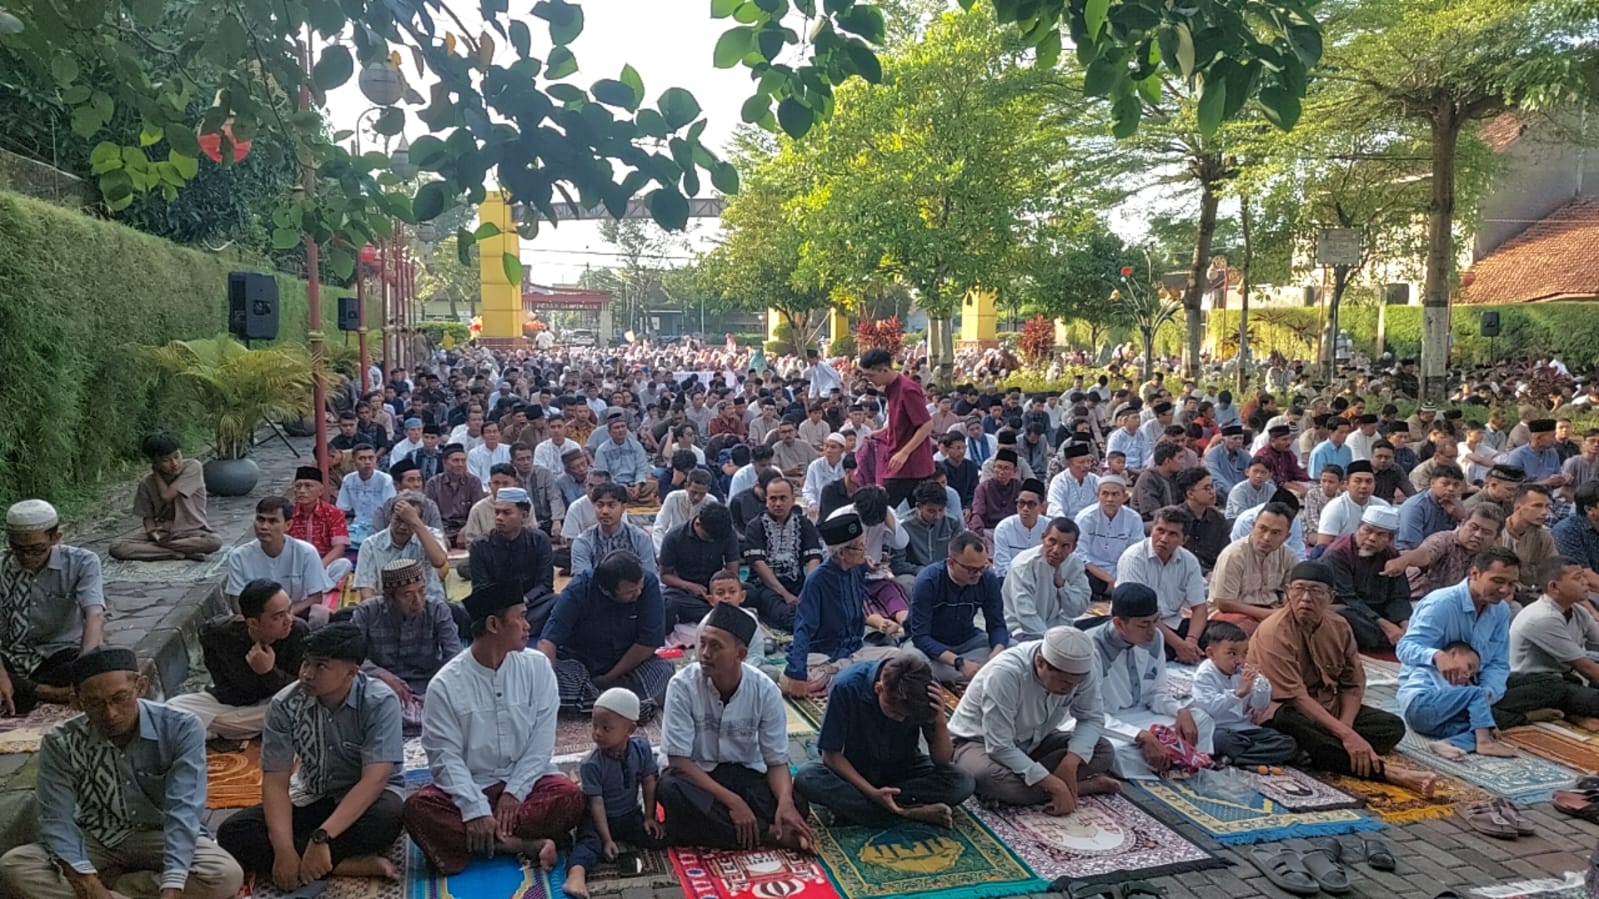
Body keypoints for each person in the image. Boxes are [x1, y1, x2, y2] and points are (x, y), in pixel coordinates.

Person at [0, 647, 243, 899]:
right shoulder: (61, 741)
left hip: (159, 834)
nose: (110, 714)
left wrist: (172, 886)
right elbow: (57, 819)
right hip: (96, 835)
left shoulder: (180, 727)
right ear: (77, 701)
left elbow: (183, 812)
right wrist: (86, 880)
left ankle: (116, 885)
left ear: (140, 687)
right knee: (15, 866)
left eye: (120, 698)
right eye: (94, 703)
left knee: (223, 875)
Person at [402, 582, 583, 875]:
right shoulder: (446, 685)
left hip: (526, 785)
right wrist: (475, 808)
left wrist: (515, 792)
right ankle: (519, 845)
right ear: (493, 624)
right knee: (417, 810)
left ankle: (482, 841)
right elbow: (444, 757)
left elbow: (541, 744)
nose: (528, 626)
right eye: (521, 617)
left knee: (570, 797)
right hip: (469, 786)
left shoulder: (537, 667)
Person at [217, 623, 406, 889]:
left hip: (366, 800)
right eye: (305, 663)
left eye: (320, 666)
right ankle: (341, 864)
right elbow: (275, 782)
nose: (306, 674)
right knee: (233, 832)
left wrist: (322, 838)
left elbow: (374, 780)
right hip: (315, 794)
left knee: (388, 816)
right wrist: (283, 850)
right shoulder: (284, 705)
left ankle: (318, 855)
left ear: (351, 673)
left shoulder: (378, 701)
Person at [1248, 561, 1436, 792]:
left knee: (1391, 727)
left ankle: (1319, 750)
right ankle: (1389, 773)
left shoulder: (1340, 626)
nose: (1306, 598)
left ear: (1331, 597)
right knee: (1289, 721)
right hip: (1285, 708)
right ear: (1287, 592)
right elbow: (1295, 696)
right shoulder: (1274, 630)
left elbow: (1353, 684)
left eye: (1316, 591)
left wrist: (1345, 727)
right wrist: (1346, 734)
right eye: (1298, 589)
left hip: (1326, 705)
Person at [659, 603, 814, 851]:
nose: (704, 653)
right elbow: (678, 760)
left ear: (740, 654)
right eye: (703, 643)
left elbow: (775, 761)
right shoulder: (682, 686)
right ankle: (769, 834)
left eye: (716, 646)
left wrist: (785, 803)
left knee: (797, 802)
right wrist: (734, 803)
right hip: (699, 776)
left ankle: (721, 829)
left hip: (744, 773)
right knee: (669, 790)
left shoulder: (765, 691)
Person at [793, 648, 976, 827]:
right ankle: (908, 812)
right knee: (808, 777)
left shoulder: (924, 689)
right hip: (854, 769)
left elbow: (942, 760)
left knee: (962, 782)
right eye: (896, 713)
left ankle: (865, 811)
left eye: (906, 717)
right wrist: (872, 792)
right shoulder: (847, 686)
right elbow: (831, 755)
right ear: (879, 688)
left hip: (902, 768)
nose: (901, 719)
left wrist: (939, 721)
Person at [947, 627, 1117, 812]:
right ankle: (1080, 787)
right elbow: (999, 746)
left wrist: (1070, 762)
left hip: (1034, 741)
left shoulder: (1084, 671)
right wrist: (1054, 785)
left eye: (1075, 683)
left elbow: (1091, 718)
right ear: (1040, 662)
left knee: (1103, 750)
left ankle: (1037, 788)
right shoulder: (1006, 673)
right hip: (979, 743)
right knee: (993, 779)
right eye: (1064, 682)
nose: (1070, 688)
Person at [1396, 546, 1521, 759]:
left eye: (1511, 584)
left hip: (1470, 691)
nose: (1504, 590)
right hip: (1430, 695)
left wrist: (1488, 693)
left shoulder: (1500, 610)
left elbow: (1499, 663)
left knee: (1544, 683)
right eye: (1498, 581)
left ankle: (1450, 743)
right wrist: (1436, 656)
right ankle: (1490, 726)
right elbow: (1405, 648)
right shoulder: (1441, 603)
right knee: (1486, 714)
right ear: (1475, 574)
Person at [1091, 584, 1214, 778]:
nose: (1152, 630)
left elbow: (1156, 693)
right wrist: (1139, 736)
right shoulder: (1091, 649)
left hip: (1142, 715)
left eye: (1155, 621)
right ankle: (1176, 759)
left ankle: (1170, 760)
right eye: (1143, 624)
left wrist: (1179, 711)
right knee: (1114, 751)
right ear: (1119, 623)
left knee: (1201, 719)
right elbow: (1089, 714)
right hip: (1107, 723)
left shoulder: (1155, 637)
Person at [0, 499, 104, 716]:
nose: (27, 557)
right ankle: (52, 693)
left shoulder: (82, 562)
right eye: (19, 549)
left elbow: (94, 614)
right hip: (9, 655)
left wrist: (84, 669)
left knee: (105, 668)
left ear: (55, 538)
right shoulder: (3, 566)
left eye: (37, 549)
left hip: (58, 654)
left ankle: (32, 691)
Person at [539, 551, 674, 716]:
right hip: (582, 667)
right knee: (549, 681)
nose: (638, 594)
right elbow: (548, 642)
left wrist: (609, 678)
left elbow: (648, 642)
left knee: (664, 671)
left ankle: (602, 705)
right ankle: (623, 708)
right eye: (630, 592)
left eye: (640, 587)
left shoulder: (648, 584)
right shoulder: (579, 588)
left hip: (628, 666)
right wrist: (548, 684)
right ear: (608, 591)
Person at [167, 579, 305, 739]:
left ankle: (212, 727)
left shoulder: (298, 633)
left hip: (273, 703)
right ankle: (228, 727)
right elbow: (209, 648)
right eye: (278, 617)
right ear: (253, 622)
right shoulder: (221, 632)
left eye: (289, 610)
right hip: (234, 705)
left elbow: (301, 690)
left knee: (297, 709)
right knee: (172, 708)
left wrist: (268, 672)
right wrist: (226, 690)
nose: (289, 620)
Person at [782, 512, 899, 696]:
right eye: (859, 547)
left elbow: (861, 607)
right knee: (798, 680)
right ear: (842, 553)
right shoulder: (817, 580)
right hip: (823, 655)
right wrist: (797, 672)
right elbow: (803, 628)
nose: (865, 550)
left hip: (855, 652)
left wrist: (878, 621)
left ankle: (848, 678)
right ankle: (851, 678)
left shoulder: (858, 569)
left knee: (900, 659)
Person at [563, 688, 665, 899]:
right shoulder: (592, 764)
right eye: (595, 726)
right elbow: (597, 804)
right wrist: (607, 839)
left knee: (657, 837)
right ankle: (575, 877)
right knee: (589, 846)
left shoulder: (641, 748)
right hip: (599, 820)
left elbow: (648, 780)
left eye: (606, 728)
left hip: (629, 814)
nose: (597, 733)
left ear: (630, 729)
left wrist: (649, 817)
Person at [349, 559, 462, 727]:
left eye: (421, 591)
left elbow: (455, 659)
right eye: (407, 595)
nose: (417, 601)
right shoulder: (367, 612)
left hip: (428, 686)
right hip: (380, 688)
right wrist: (380, 674)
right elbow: (351, 657)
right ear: (389, 598)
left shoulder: (437, 609)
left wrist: (438, 689)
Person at [1498, 556, 1599, 730]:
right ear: (1554, 587)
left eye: (1584, 576)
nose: (1585, 583)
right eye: (1577, 578)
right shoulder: (1542, 618)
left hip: (1565, 677)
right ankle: (1565, 711)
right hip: (1535, 683)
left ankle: (1572, 711)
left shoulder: (1578, 611)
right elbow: (1587, 668)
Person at [1191, 621, 1298, 766]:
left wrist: (1260, 685)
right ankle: (1247, 754)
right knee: (1222, 740)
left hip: (1243, 728)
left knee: (1287, 743)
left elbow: (1260, 706)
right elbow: (1210, 707)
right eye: (1232, 653)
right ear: (1212, 654)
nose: (1239, 660)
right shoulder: (1205, 674)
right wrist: (1238, 694)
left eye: (1244, 653)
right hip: (1217, 727)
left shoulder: (1242, 673)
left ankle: (1237, 758)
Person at [909, 531, 1009, 684]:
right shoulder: (928, 580)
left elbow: (997, 625)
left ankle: (968, 673)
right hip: (931, 646)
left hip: (967, 640)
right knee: (913, 664)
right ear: (951, 562)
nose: (977, 574)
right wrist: (959, 662)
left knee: (1012, 650)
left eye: (982, 567)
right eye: (971, 569)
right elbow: (920, 636)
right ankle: (976, 674)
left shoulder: (987, 578)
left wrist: (997, 653)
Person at [109, 433, 223, 561]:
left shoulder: (192, 467)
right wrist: (153, 533)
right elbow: (148, 518)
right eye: (166, 460)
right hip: (164, 533)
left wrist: (156, 472)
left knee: (214, 541)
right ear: (154, 462)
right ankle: (178, 553)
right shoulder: (146, 484)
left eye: (177, 456)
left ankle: (160, 549)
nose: (174, 464)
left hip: (192, 531)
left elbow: (167, 496)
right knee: (117, 547)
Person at [1117, 506, 1209, 663]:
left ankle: (1182, 651)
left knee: (1219, 636)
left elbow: (1199, 607)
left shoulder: (1189, 561)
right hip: (1139, 623)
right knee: (1146, 651)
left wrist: (1191, 641)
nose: (1164, 538)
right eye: (1160, 530)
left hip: (1172, 622)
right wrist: (1179, 645)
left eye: (1173, 534)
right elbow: (1140, 612)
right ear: (1152, 530)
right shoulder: (1134, 558)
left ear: (1183, 540)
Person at [226, 496, 334, 624]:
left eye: (272, 521)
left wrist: (283, 615)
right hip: (257, 621)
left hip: (294, 614)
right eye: (260, 519)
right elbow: (236, 600)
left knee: (320, 613)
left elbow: (315, 597)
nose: (264, 527)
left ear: (288, 525)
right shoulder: (239, 556)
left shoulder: (306, 552)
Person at [1322, 505, 1411, 651]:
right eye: (1367, 531)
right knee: (1342, 615)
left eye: (1380, 535)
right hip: (1352, 610)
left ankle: (1398, 637)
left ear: (1389, 539)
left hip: (1379, 611)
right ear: (1358, 529)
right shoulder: (1338, 554)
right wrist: (1385, 625)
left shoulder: (1390, 554)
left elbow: (1399, 595)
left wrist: (1404, 623)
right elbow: (1346, 597)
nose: (1371, 539)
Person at [858, 348, 937, 507]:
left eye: (871, 376)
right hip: (899, 461)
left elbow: (927, 425)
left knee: (879, 509)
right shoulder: (891, 388)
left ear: (885, 370)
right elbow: (902, 423)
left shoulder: (907, 389)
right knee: (917, 514)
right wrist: (881, 432)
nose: (869, 380)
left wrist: (904, 453)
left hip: (910, 466)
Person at [743, 474, 823, 632]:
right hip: (766, 586)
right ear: (766, 500)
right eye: (773, 498)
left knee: (826, 605)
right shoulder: (755, 526)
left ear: (793, 500)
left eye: (783, 498)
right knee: (787, 618)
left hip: (798, 583)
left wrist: (808, 591)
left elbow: (814, 558)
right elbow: (758, 565)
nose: (778, 503)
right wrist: (785, 594)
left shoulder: (804, 523)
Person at [469, 487, 556, 628]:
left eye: (506, 513)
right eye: (497, 512)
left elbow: (545, 584)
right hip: (495, 608)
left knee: (558, 602)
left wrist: (523, 601)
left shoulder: (540, 540)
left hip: (530, 605)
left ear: (524, 515)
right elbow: (481, 587)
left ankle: (510, 628)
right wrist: (507, 606)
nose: (499, 518)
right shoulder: (480, 545)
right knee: (463, 611)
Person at [1208, 502, 1296, 635]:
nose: (1267, 538)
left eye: (1275, 533)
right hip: (1232, 614)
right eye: (1262, 529)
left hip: (1272, 610)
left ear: (1286, 537)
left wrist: (1285, 607)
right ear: (1253, 526)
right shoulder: (1234, 554)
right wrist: (1268, 614)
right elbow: (1224, 603)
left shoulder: (1288, 555)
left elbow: (1293, 591)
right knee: (1254, 630)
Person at [1003, 518, 1090, 641]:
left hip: (1058, 628)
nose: (1056, 550)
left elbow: (1078, 608)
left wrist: (1062, 586)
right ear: (1043, 538)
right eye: (1052, 542)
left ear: (1073, 547)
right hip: (1023, 630)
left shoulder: (1074, 564)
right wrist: (1050, 642)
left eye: (1065, 546)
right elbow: (1026, 614)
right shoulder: (1023, 565)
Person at [353, 493, 448, 603]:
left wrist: (415, 522)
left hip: (428, 604)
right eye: (398, 520)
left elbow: (439, 561)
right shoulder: (370, 545)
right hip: (387, 608)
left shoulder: (431, 534)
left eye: (408, 522)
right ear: (390, 517)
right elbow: (366, 593)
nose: (402, 527)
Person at [660, 503, 740, 625]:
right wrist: (688, 586)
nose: (713, 541)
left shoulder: (727, 533)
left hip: (717, 587)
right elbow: (665, 575)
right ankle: (720, 614)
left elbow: (733, 572)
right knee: (668, 603)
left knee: (751, 592)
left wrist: (724, 592)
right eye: (709, 538)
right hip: (685, 591)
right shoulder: (674, 537)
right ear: (698, 525)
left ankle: (717, 612)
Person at [1073, 475, 1143, 602]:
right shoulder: (1085, 518)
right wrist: (1109, 579)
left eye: (1115, 494)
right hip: (1093, 571)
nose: (1109, 499)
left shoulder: (1133, 518)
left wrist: (1120, 577)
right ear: (1097, 495)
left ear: (1125, 497)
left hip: (1122, 570)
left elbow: (1136, 552)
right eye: (1105, 494)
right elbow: (1080, 555)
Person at [570, 483, 656, 577]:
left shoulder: (641, 538)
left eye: (611, 505)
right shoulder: (583, 541)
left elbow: (649, 576)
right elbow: (583, 579)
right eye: (600, 505)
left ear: (623, 507)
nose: (605, 511)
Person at [424, 444, 484, 547]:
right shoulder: (433, 484)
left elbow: (477, 511)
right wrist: (441, 535)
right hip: (442, 528)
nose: (460, 464)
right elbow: (431, 515)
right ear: (445, 462)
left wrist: (466, 529)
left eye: (463, 460)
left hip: (468, 526)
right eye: (456, 460)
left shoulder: (474, 482)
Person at [337, 444, 397, 539]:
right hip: (356, 525)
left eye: (371, 458)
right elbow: (342, 509)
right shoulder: (348, 480)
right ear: (354, 461)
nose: (367, 462)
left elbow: (390, 509)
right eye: (362, 458)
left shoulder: (385, 480)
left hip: (381, 526)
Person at [652, 468, 718, 554]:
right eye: (694, 492)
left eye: (702, 493)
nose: (697, 497)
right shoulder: (673, 497)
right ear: (686, 486)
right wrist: (661, 553)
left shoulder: (711, 502)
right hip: (673, 545)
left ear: (708, 489)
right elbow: (659, 527)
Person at [595, 413, 656, 504]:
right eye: (616, 427)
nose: (621, 430)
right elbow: (603, 475)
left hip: (635, 484)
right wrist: (622, 487)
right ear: (609, 431)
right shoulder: (602, 450)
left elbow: (641, 469)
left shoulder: (636, 446)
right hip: (614, 486)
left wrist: (638, 486)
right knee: (606, 491)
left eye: (623, 426)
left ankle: (630, 499)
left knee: (653, 485)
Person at [1047, 442, 1100, 519]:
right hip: (1066, 526)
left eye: (1088, 461)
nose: (1087, 466)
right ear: (1069, 464)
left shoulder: (1095, 480)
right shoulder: (1059, 481)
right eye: (1081, 462)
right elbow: (1054, 509)